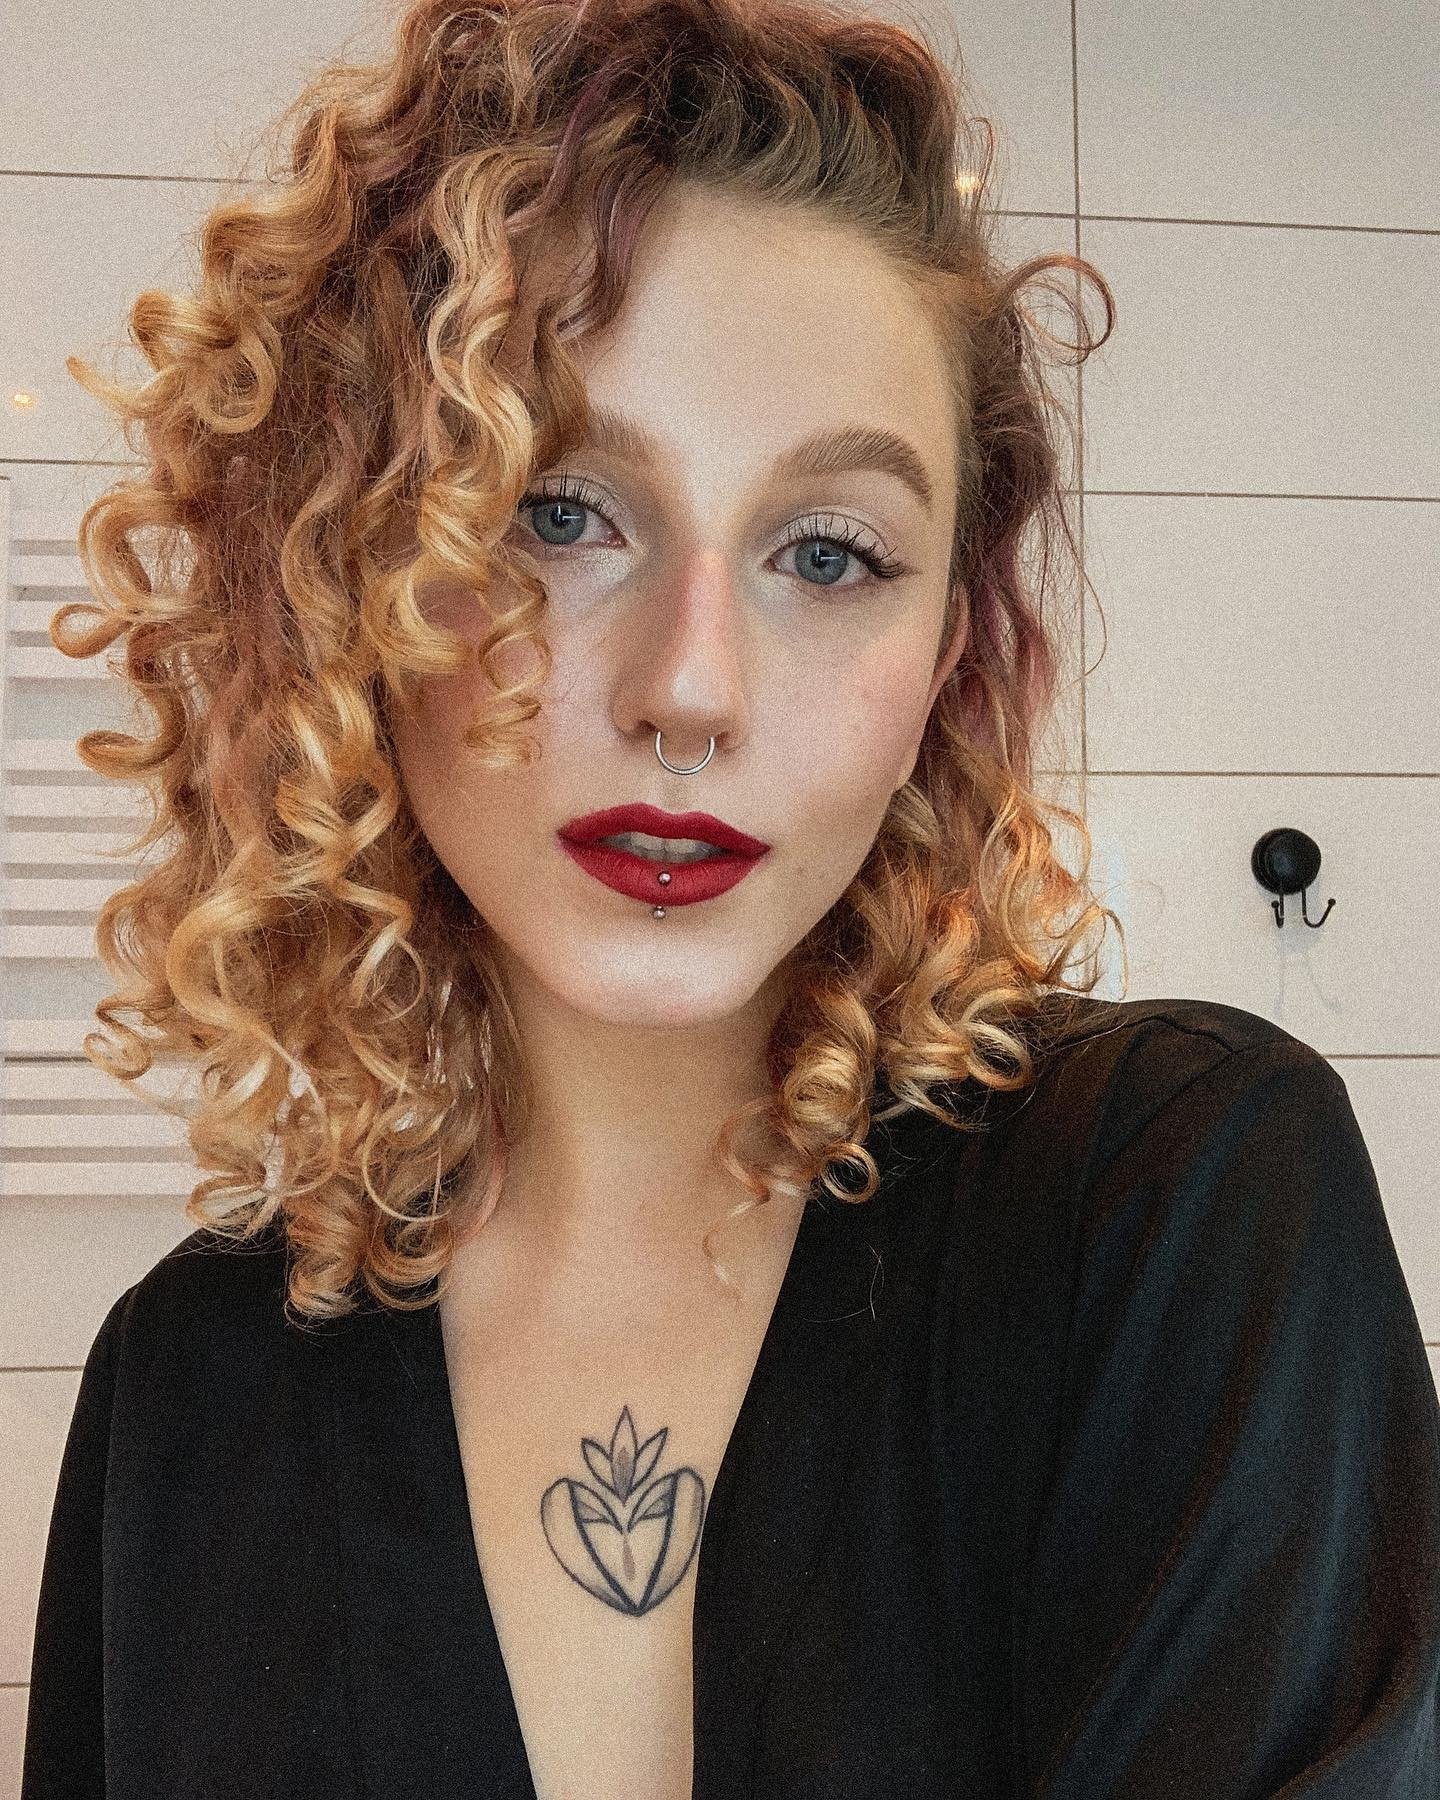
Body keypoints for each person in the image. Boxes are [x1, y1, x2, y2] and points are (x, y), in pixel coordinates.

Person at [22, 0, 1440, 1794]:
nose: (691, 690)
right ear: (351, 579)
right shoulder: (184, 1391)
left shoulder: (1172, 1209)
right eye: (556, 513)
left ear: (948, 654)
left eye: (829, 552)